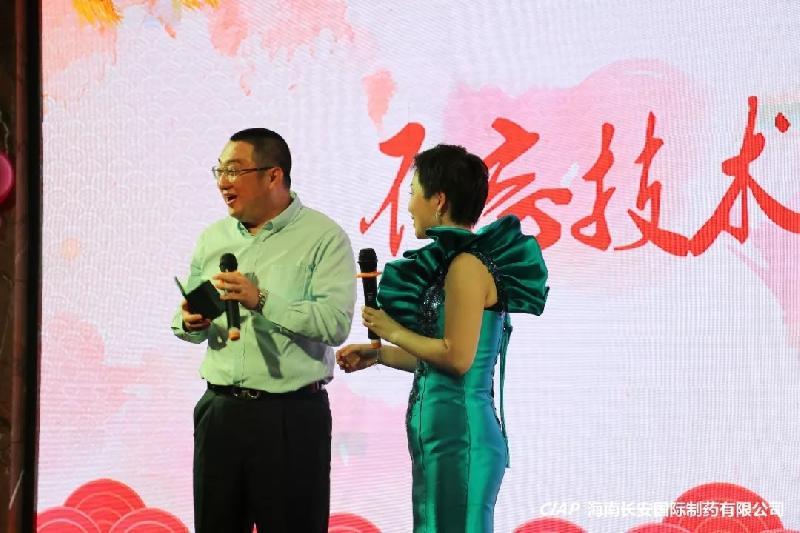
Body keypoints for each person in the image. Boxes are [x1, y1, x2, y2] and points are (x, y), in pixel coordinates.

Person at [336, 144, 548, 532]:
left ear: (439, 201)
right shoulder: (457, 263)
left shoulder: (466, 265)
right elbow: (438, 359)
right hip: (446, 436)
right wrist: (380, 355)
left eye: (413, 192)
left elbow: (457, 358)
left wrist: (391, 329)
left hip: (459, 437)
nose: (408, 206)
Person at [172, 128, 356, 533]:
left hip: (290, 417)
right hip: (220, 413)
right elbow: (188, 318)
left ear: (274, 176)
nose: (223, 182)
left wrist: (262, 300)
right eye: (219, 171)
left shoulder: (323, 237)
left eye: (234, 171)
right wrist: (189, 321)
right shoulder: (213, 237)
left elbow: (335, 323)